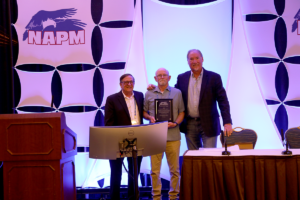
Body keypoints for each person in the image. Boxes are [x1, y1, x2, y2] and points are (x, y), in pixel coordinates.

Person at [175, 49, 232, 149]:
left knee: (209, 158)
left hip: (209, 123)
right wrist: (156, 88)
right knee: (194, 159)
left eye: (197, 58)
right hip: (189, 124)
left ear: (202, 59)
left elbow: (223, 101)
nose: (194, 61)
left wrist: (227, 122)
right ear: (188, 61)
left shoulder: (214, 77)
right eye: (191, 59)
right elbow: (173, 94)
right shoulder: (182, 78)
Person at [144, 68, 185, 200]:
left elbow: (182, 112)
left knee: (175, 171)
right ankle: (156, 196)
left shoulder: (177, 93)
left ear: (169, 77)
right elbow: (144, 112)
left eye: (164, 75)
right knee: (154, 171)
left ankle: (173, 196)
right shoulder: (149, 93)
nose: (162, 77)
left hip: (173, 136)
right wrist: (149, 117)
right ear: (155, 78)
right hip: (154, 137)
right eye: (159, 75)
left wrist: (176, 123)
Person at [104, 74, 144, 200]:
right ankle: (114, 198)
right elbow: (108, 122)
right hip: (118, 140)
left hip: (137, 138)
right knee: (116, 172)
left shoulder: (140, 95)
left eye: (131, 81)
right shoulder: (112, 99)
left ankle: (132, 197)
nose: (128, 84)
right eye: (125, 82)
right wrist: (113, 140)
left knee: (134, 172)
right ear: (120, 84)